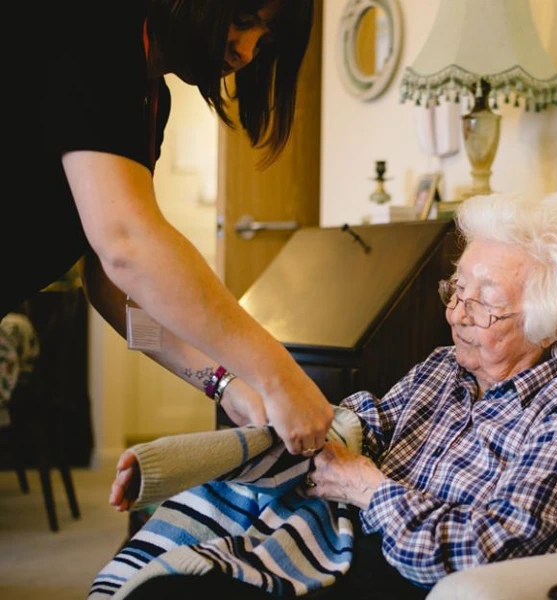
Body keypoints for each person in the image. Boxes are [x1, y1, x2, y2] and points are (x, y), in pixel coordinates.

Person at [92, 189, 557, 598]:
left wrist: (370, 491)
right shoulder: (443, 370)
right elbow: (348, 426)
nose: (454, 314)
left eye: (483, 301)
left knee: (183, 590)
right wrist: (181, 464)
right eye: (456, 289)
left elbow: (491, 549)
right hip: (341, 542)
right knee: (161, 565)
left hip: (409, 580)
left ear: (551, 324)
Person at [4, 0, 333, 455]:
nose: (247, 52)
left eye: (266, 38)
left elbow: (110, 284)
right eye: (242, 21)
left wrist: (224, 384)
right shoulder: (95, 28)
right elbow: (127, 245)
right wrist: (280, 375)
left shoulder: (151, 101)